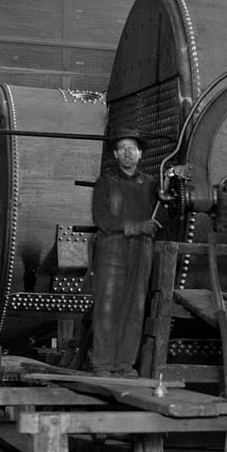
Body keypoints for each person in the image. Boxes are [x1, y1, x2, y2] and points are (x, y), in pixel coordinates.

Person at [88, 129, 159, 376]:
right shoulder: (106, 183)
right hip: (112, 250)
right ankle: (102, 365)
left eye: (132, 148)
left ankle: (124, 365)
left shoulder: (151, 185)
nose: (128, 153)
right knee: (107, 309)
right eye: (123, 149)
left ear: (140, 154)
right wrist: (135, 227)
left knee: (135, 309)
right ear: (116, 155)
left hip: (142, 251)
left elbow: (165, 212)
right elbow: (102, 219)